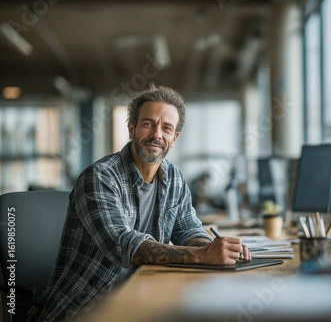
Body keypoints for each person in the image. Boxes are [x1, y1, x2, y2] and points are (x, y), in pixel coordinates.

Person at [28, 85, 251, 321]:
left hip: (143, 296)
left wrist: (213, 248)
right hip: (86, 308)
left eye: (166, 128)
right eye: (148, 124)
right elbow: (122, 245)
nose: (157, 134)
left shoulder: (174, 177)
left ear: (174, 138)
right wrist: (201, 256)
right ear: (132, 129)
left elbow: (188, 229)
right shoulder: (100, 177)